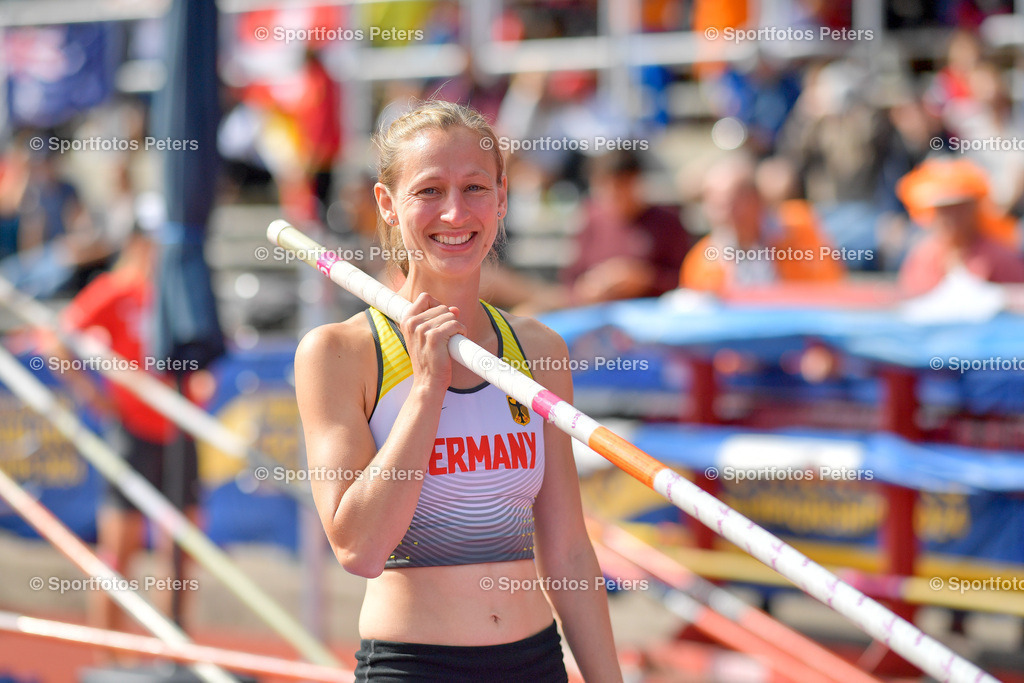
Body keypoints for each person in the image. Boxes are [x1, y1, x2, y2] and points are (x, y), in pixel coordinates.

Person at [294, 101, 621, 682]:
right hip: (415, 668)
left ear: (501, 198)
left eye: (474, 188)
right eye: (428, 190)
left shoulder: (538, 352)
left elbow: (569, 550)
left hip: (535, 663)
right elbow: (360, 549)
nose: (454, 211)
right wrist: (425, 390)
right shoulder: (339, 354)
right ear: (387, 205)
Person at [44, 226, 202, 646]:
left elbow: (204, 355)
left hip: (179, 432)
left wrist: (201, 386)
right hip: (133, 434)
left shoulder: (181, 289)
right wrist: (94, 398)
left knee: (181, 551)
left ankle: (174, 654)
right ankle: (109, 656)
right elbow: (55, 339)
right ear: (136, 242)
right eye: (153, 239)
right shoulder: (114, 289)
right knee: (120, 549)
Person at [681, 155, 845, 293]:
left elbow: (829, 286)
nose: (723, 212)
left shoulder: (800, 226)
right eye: (715, 203)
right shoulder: (702, 260)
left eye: (733, 202)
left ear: (756, 198)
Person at [562, 150, 693, 304]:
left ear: (636, 181)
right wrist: (590, 288)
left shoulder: (667, 222)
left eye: (620, 186)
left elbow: (687, 282)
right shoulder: (590, 219)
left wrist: (644, 279)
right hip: (597, 315)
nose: (612, 194)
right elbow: (571, 283)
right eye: (604, 187)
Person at [897, 158, 1024, 296]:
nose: (951, 217)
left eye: (959, 209)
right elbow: (908, 301)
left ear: (973, 208)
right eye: (943, 210)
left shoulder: (998, 256)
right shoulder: (923, 256)